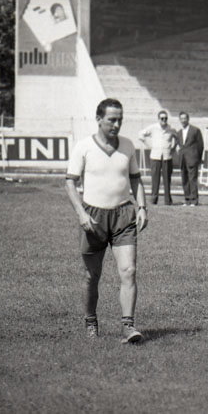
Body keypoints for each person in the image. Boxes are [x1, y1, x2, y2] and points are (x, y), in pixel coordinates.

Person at [65, 98, 148, 344]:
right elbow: (70, 182)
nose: (117, 124)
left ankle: (128, 327)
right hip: (93, 217)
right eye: (112, 119)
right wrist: (81, 213)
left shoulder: (128, 145)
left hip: (123, 216)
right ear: (99, 119)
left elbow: (135, 178)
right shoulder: (83, 147)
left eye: (120, 120)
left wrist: (142, 207)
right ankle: (91, 321)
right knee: (92, 275)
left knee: (129, 271)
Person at [139, 110, 177, 205]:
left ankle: (168, 200)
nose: (164, 120)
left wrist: (173, 148)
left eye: (165, 118)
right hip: (155, 156)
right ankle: (153, 199)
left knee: (167, 179)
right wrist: (148, 145)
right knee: (155, 179)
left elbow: (177, 138)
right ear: (158, 119)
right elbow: (141, 134)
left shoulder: (171, 129)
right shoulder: (153, 128)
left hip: (167, 157)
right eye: (162, 118)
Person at [176, 112, 204, 206]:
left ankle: (194, 200)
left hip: (192, 159)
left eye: (185, 118)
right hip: (183, 159)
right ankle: (187, 199)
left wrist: (198, 158)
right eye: (181, 119)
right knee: (184, 179)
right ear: (180, 120)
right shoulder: (179, 132)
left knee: (192, 180)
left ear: (188, 119)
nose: (183, 120)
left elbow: (200, 146)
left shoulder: (195, 130)